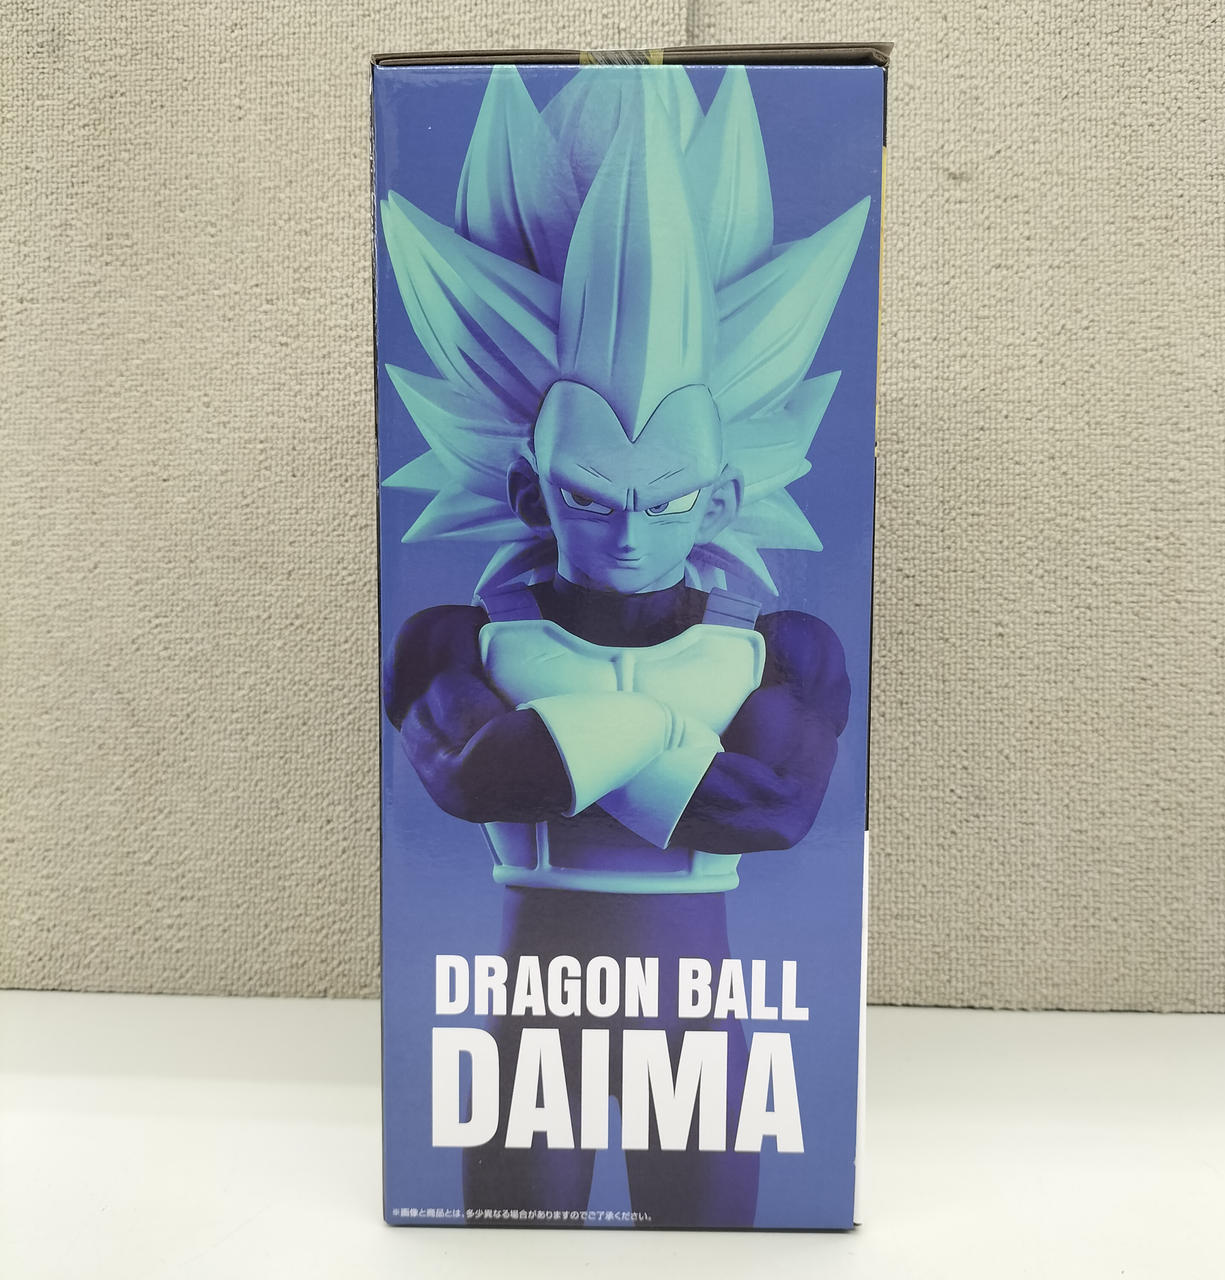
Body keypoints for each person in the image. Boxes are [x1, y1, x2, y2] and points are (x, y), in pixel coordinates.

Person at [380, 62, 869, 1227]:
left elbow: (771, 811)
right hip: (525, 1025)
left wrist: (600, 734)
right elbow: (478, 773)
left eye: (669, 500)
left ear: (721, 497)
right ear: (530, 489)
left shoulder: (784, 652)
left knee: (715, 1243)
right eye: (591, 499)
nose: (632, 534)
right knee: (505, 1245)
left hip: (701, 1024)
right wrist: (660, 727)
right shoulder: (452, 643)